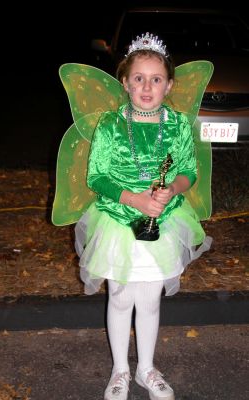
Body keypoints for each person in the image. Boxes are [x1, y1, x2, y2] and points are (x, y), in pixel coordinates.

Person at [69, 33, 212, 400]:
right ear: (125, 82)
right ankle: (120, 370)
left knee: (149, 298)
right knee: (119, 296)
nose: (147, 86)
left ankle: (146, 369)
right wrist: (134, 198)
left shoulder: (178, 125)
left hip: (162, 221)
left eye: (156, 79)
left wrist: (172, 189)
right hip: (118, 219)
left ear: (169, 85)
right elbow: (96, 176)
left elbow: (188, 170)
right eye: (138, 78)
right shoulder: (111, 125)